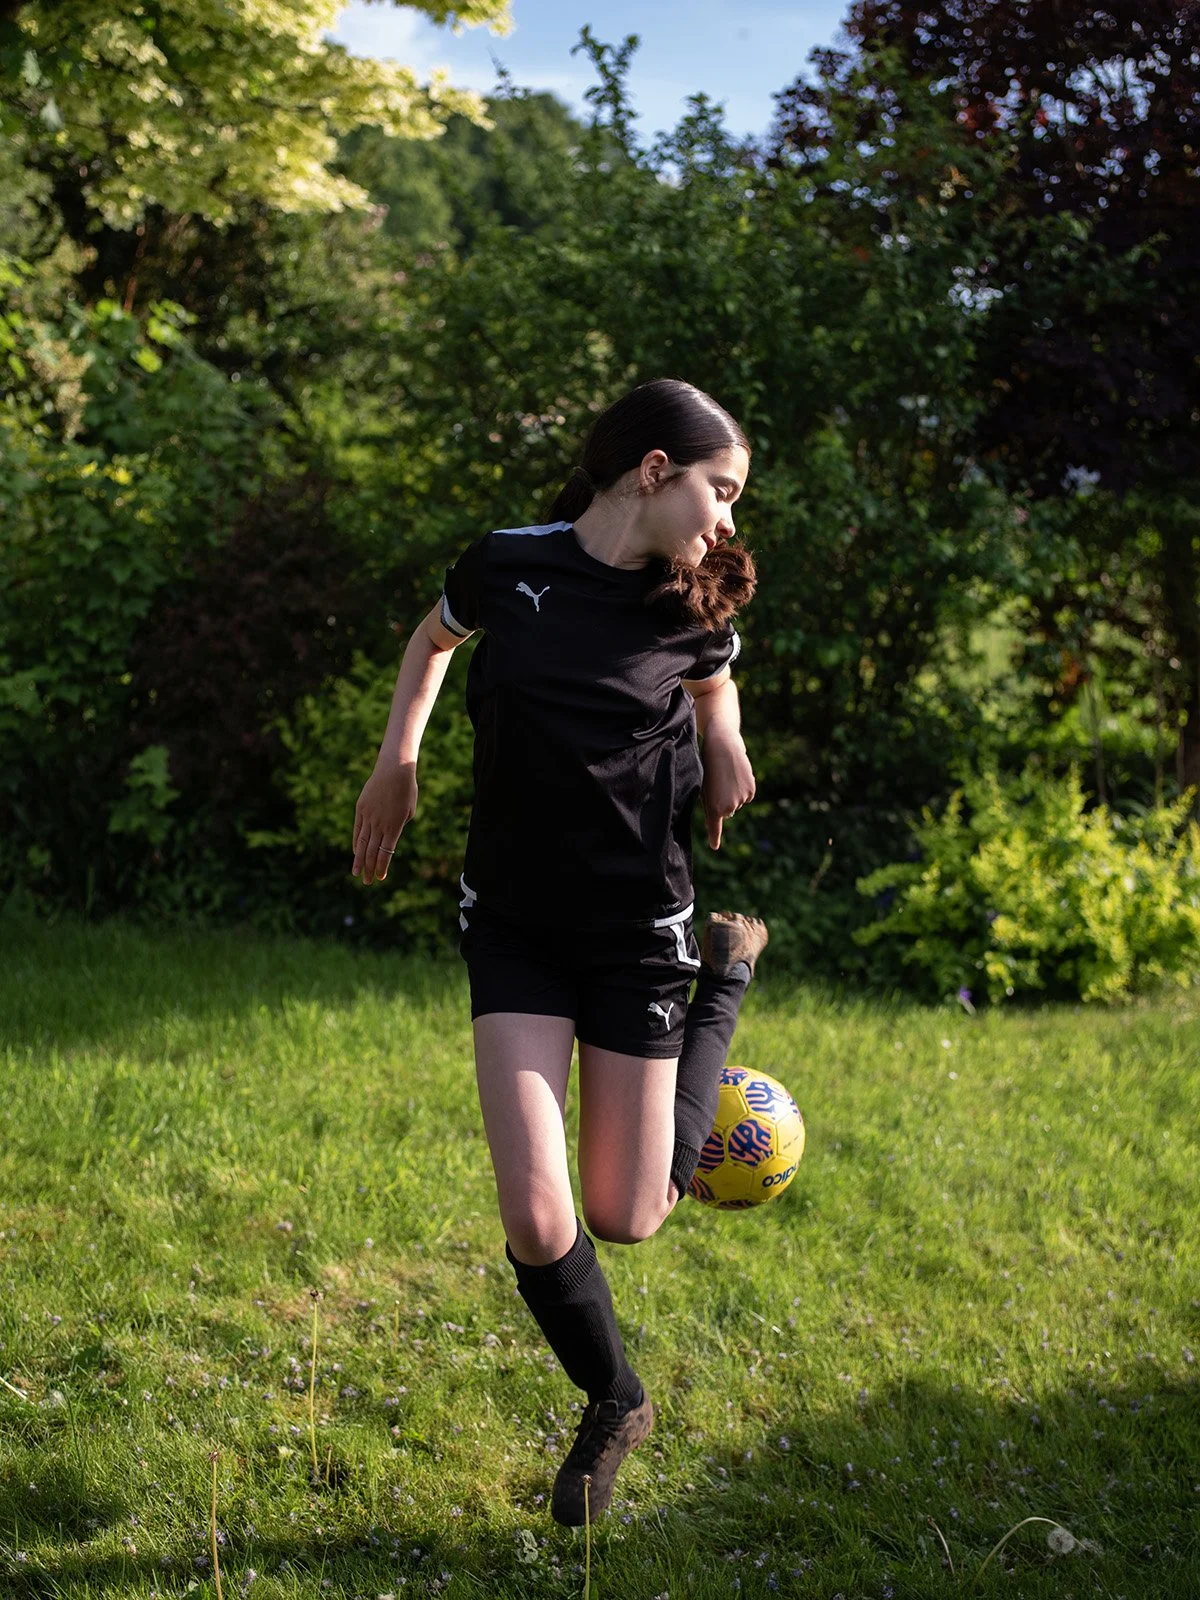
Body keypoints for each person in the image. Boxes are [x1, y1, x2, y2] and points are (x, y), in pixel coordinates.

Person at [351, 378, 769, 1526]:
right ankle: (615, 1398)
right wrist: (401, 758)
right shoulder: (508, 562)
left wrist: (722, 742)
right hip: (517, 922)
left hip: (639, 932)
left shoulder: (685, 600)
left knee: (628, 1213)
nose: (726, 518)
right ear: (651, 470)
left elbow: (714, 677)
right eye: (717, 490)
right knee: (540, 1219)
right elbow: (430, 642)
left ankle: (718, 989)